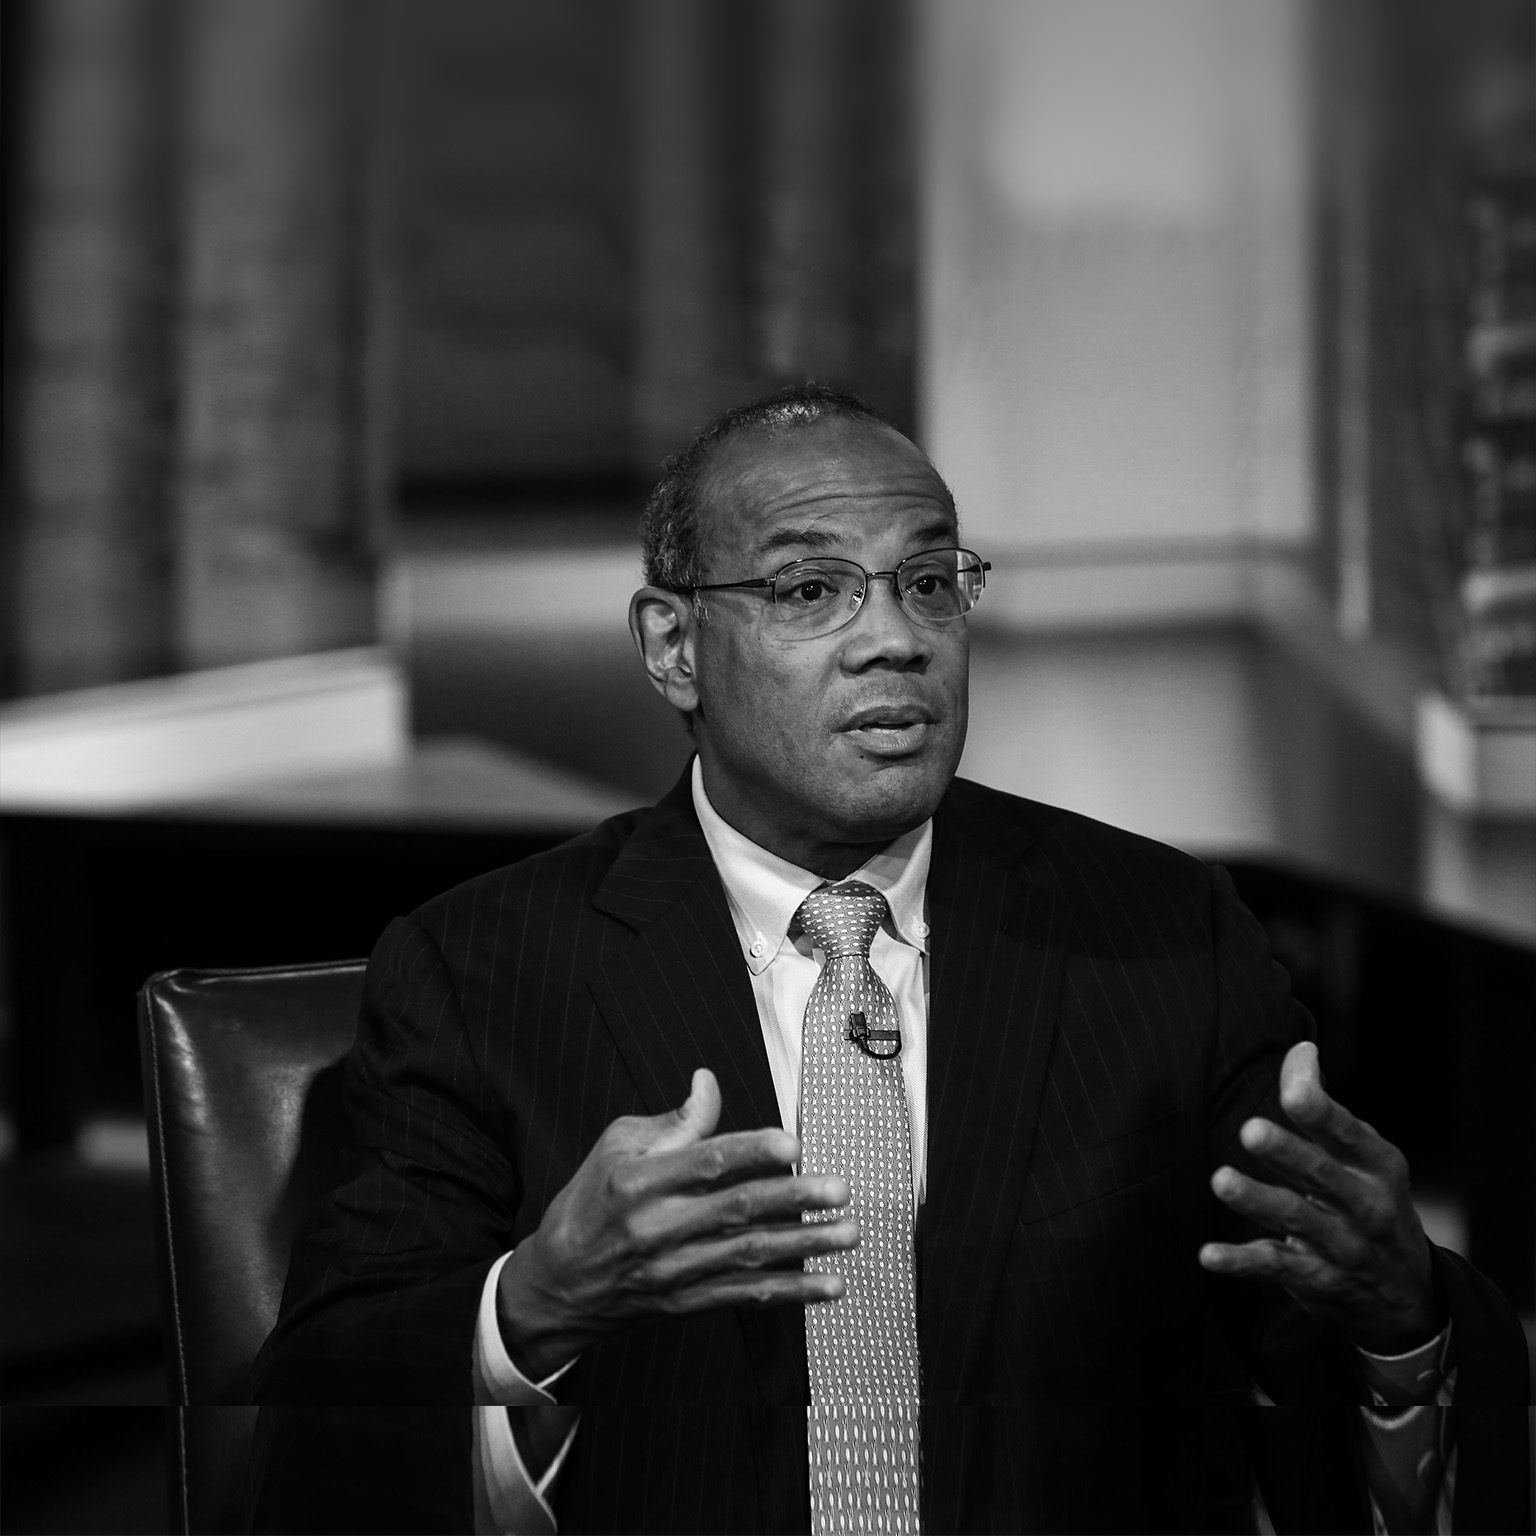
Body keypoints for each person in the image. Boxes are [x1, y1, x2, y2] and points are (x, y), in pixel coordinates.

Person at [252, 385, 1529, 1534]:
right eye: (811, 592)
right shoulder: (482, 966)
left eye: (930, 583)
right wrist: (537, 1297)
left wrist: (1402, 1316)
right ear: (671, 646)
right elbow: (330, 1396)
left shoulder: (1159, 932)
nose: (897, 640)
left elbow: (1319, 1357)